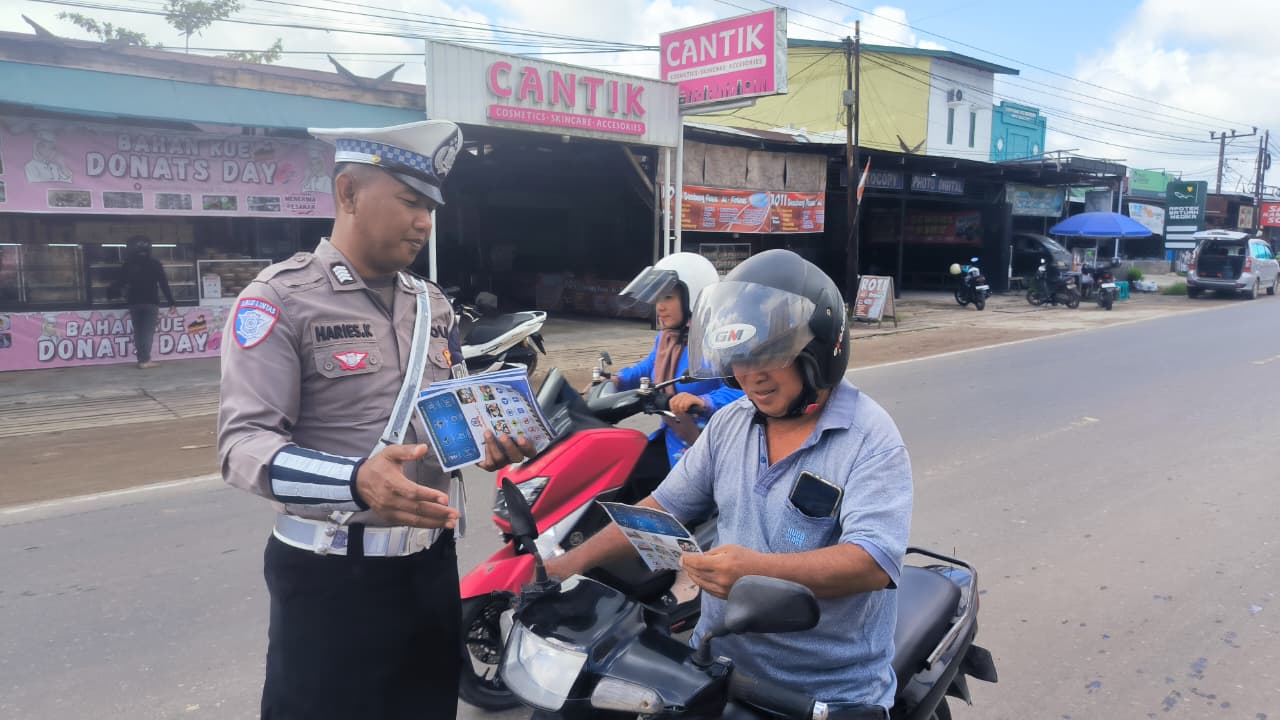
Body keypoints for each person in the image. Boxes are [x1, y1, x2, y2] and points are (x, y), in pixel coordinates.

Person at [217, 119, 532, 720]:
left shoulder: (431, 303)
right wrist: (355, 479)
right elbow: (242, 445)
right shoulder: (279, 298)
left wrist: (487, 438)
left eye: (431, 207)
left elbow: (449, 410)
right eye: (410, 202)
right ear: (347, 194)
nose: (424, 222)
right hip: (330, 579)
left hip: (429, 569)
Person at [547, 249, 913, 716]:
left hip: (824, 692)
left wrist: (755, 569)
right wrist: (564, 566)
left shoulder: (870, 439)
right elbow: (663, 507)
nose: (750, 376)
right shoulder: (731, 424)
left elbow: (871, 563)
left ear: (820, 350)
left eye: (770, 356)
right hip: (718, 661)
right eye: (740, 358)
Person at [606, 252, 742, 499]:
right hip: (672, 435)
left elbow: (739, 390)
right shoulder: (668, 338)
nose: (660, 307)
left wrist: (703, 402)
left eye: (668, 297)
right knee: (629, 479)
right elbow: (648, 367)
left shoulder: (716, 340)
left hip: (704, 445)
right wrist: (616, 380)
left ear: (694, 298)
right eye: (658, 298)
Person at [109, 235, 176, 369]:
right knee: (147, 332)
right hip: (151, 302)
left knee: (139, 332)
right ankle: (145, 360)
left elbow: (120, 283)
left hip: (134, 302)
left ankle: (141, 359)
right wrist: (171, 302)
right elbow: (163, 284)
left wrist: (110, 293)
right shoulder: (155, 264)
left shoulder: (128, 264)